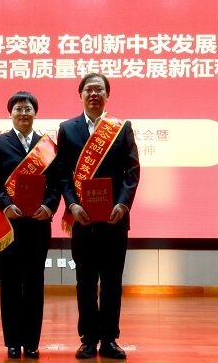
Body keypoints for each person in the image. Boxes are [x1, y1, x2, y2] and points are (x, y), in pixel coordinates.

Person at [56, 73, 140, 360]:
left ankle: (110, 339)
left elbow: (132, 172)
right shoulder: (67, 129)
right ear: (80, 95)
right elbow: (62, 173)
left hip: (115, 219)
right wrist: (72, 205)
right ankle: (88, 339)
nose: (94, 94)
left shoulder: (121, 128)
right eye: (89, 90)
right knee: (86, 281)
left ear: (107, 95)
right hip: (83, 219)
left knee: (113, 281)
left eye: (99, 90)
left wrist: (123, 204)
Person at [0, 91, 60, 360]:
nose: (23, 113)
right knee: (10, 284)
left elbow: (56, 182)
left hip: (38, 224)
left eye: (28, 108)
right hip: (10, 223)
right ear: (10, 114)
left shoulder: (47, 146)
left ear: (35, 113)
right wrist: (6, 205)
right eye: (18, 109)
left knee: (34, 283)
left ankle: (31, 343)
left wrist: (49, 206)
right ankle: (13, 342)